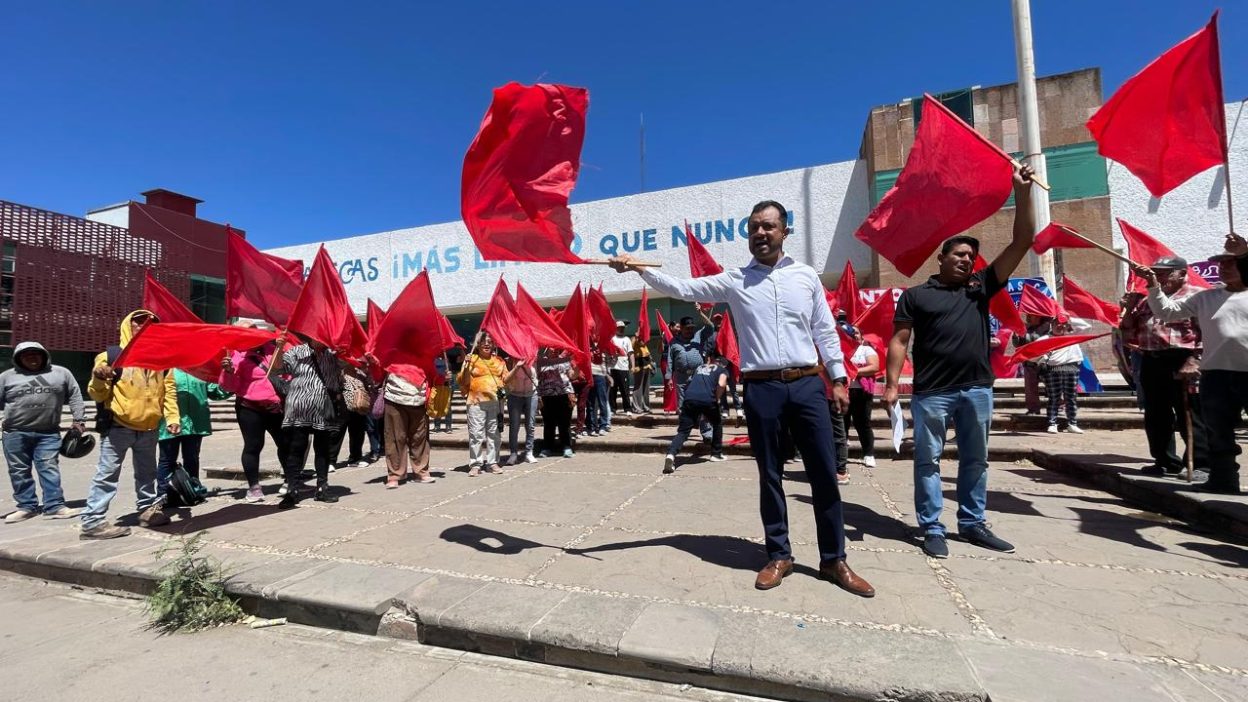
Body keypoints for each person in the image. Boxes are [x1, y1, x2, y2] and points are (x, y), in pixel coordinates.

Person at [612, 199, 875, 598]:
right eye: (754, 227)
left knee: (824, 472)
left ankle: (833, 559)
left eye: (768, 226)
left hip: (807, 384)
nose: (760, 233)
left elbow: (824, 330)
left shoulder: (805, 276)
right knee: (769, 474)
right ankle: (779, 555)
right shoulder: (736, 280)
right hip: (761, 388)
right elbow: (683, 288)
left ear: (784, 231)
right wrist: (638, 268)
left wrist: (838, 378)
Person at [884, 165, 1036, 560]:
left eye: (971, 256)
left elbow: (1023, 240)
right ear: (942, 258)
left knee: (976, 460)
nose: (967, 260)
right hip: (932, 393)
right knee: (928, 461)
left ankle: (972, 524)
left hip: (977, 390)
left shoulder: (980, 287)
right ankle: (932, 528)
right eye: (959, 254)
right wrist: (891, 385)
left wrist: (1021, 193)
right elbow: (899, 340)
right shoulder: (916, 296)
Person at [1136, 235, 1248, 495]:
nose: (1224, 268)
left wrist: (1244, 252)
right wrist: (1152, 285)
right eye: (1221, 264)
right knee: (1218, 431)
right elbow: (1167, 312)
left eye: (1231, 263)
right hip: (1216, 373)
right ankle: (1223, 480)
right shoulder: (1206, 298)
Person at [80, 310, 180, 539]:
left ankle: (147, 511)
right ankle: (92, 522)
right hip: (119, 427)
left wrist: (173, 417)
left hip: (149, 428)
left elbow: (169, 391)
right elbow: (96, 394)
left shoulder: (161, 360)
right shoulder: (111, 356)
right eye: (138, 322)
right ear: (128, 325)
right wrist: (98, 377)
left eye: (150, 323)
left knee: (147, 474)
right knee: (107, 474)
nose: (144, 326)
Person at [1119, 256, 1208, 477]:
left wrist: (1195, 359)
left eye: (1164, 273)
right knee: (1156, 414)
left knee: (1190, 413)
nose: (1158, 277)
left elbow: (1208, 333)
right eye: (1156, 273)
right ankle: (1165, 460)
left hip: (1183, 359)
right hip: (1151, 359)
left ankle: (1200, 463)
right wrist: (1128, 309)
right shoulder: (1147, 299)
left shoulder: (1197, 296)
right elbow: (1128, 332)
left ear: (1182, 273)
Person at [1, 341, 86, 523]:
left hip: (48, 433)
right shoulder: (6, 377)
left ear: (44, 355)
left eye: (36, 353)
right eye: (26, 354)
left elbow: (75, 395)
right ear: (18, 358)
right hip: (15, 433)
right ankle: (26, 507)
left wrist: (79, 420)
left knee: (49, 468)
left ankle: (54, 506)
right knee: (18, 471)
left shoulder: (61, 373)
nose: (32, 357)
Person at [220, 336, 290, 503]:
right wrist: (228, 372)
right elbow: (230, 387)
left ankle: (291, 480)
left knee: (286, 443)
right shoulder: (237, 356)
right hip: (249, 408)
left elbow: (285, 373)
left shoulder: (272, 349)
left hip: (274, 406)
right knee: (253, 445)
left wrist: (280, 348)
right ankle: (254, 487)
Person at [278, 339, 346, 508]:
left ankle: (322, 487)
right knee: (296, 448)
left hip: (324, 408)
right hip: (299, 407)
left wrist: (345, 354)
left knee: (323, 449)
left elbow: (349, 368)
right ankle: (292, 490)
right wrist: (278, 348)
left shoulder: (333, 354)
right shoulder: (296, 352)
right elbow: (278, 368)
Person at [156, 369, 231, 505]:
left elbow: (216, 392)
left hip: (195, 423)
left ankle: (192, 492)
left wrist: (231, 379)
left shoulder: (201, 370)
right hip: (170, 423)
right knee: (167, 460)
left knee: (192, 459)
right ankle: (164, 495)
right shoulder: (166, 369)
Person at [457, 334, 517, 476]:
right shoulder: (472, 359)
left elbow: (506, 379)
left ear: (494, 345)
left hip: (496, 402)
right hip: (475, 402)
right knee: (476, 434)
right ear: (478, 345)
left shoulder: (499, 361)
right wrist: (466, 365)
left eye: (490, 342)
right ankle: (476, 464)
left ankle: (492, 463)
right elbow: (464, 381)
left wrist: (517, 367)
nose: (487, 344)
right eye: (483, 342)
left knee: (494, 434)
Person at [663, 354, 727, 473]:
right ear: (723, 365)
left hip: (690, 398)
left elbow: (690, 381)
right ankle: (716, 454)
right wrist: (717, 398)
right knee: (717, 423)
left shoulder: (700, 367)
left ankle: (671, 454)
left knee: (683, 432)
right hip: (708, 399)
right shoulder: (722, 370)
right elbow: (722, 384)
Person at [381, 365, 434, 488]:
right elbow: (378, 372)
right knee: (395, 438)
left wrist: (442, 376)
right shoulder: (391, 354)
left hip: (419, 398)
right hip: (394, 397)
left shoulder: (424, 356)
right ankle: (395, 474)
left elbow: (433, 371)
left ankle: (421, 471)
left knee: (420, 437)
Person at [668, 316, 715, 442]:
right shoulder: (674, 342)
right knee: (683, 407)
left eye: (691, 328)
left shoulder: (699, 336)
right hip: (681, 377)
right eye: (687, 328)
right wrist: (669, 377)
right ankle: (684, 432)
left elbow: (711, 327)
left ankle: (707, 433)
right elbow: (670, 360)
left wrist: (700, 313)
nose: (690, 331)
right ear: (681, 328)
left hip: (698, 375)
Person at [1036, 320, 1086, 434]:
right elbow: (1033, 353)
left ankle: (1072, 424)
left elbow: (1086, 326)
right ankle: (1052, 423)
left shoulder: (1072, 336)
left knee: (1071, 397)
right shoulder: (1044, 339)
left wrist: (1067, 319)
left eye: (1062, 325)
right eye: (1057, 324)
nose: (1060, 327)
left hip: (1071, 367)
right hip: (1053, 369)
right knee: (1054, 397)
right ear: (1052, 325)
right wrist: (1042, 359)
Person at [846, 328, 880, 469]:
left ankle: (869, 454)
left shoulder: (866, 350)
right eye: (850, 332)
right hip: (844, 390)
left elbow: (874, 366)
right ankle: (840, 455)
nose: (853, 334)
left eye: (856, 332)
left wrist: (853, 371)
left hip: (861, 392)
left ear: (861, 336)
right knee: (842, 423)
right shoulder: (841, 350)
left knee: (862, 423)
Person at [537, 347, 576, 458]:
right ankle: (547, 447)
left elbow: (572, 376)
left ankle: (567, 446)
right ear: (547, 348)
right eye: (551, 347)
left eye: (555, 347)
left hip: (564, 394)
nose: (553, 349)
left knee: (565, 422)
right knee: (548, 423)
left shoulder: (565, 360)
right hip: (546, 395)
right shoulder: (540, 361)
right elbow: (536, 377)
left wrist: (578, 367)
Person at [1016, 314, 1053, 415]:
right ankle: (1033, 409)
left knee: (1052, 385)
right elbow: (1018, 345)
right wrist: (1016, 336)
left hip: (1045, 362)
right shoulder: (1025, 329)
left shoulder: (1048, 327)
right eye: (1029, 315)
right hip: (1029, 363)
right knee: (1030, 387)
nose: (1029, 317)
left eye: (1032, 315)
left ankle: (1058, 406)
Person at [504, 354, 538, 465]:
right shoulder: (510, 360)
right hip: (514, 394)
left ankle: (529, 452)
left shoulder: (534, 358)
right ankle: (513, 453)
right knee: (514, 425)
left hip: (531, 394)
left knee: (530, 424)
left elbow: (536, 376)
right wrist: (516, 366)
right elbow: (506, 378)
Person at [586, 340, 611, 436]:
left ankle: (603, 425)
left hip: (601, 376)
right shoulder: (586, 346)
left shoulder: (604, 346)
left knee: (602, 402)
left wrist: (608, 375)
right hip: (590, 376)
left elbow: (609, 362)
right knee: (590, 403)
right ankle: (592, 426)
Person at [609, 321, 635, 414]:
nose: (621, 329)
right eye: (619, 328)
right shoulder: (611, 339)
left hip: (623, 368)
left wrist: (633, 366)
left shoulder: (627, 339)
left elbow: (631, 353)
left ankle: (627, 408)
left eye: (623, 328)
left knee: (625, 389)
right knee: (612, 390)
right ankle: (612, 409)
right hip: (612, 367)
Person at [428, 355, 453, 433]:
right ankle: (438, 425)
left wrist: (449, 376)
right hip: (437, 385)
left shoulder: (447, 361)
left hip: (446, 385)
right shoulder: (432, 361)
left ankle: (447, 426)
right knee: (437, 405)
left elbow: (450, 373)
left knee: (447, 405)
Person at [631, 333, 653, 414]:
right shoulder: (634, 340)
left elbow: (647, 352)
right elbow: (630, 348)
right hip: (638, 366)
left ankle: (645, 406)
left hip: (647, 366)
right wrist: (636, 337)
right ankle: (636, 407)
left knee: (646, 388)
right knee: (638, 387)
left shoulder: (643, 342)